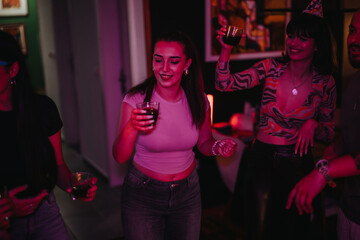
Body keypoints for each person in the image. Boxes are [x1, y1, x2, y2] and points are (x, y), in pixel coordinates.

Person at [214, 0, 336, 239]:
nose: (293, 42)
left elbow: (330, 133)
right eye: (291, 36)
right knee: (258, 230)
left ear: (316, 46)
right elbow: (223, 84)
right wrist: (226, 49)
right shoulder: (270, 68)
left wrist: (314, 124)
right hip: (261, 159)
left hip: (299, 163)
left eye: (302, 38)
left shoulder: (326, 82)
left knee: (295, 231)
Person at [112, 30, 237, 240]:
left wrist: (217, 147)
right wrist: (132, 126)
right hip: (143, 194)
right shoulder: (136, 99)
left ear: (187, 64)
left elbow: (205, 141)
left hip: (188, 193)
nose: (164, 68)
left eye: (174, 61)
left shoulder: (198, 100)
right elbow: (120, 156)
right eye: (158, 59)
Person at [0, 30, 97, 239]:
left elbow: (58, 164)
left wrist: (73, 186)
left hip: (45, 213)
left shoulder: (42, 109)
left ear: (13, 69)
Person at [286, 9, 360, 240]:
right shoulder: (353, 81)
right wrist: (336, 148)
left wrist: (322, 173)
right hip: (349, 209)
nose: (354, 40)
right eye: (352, 31)